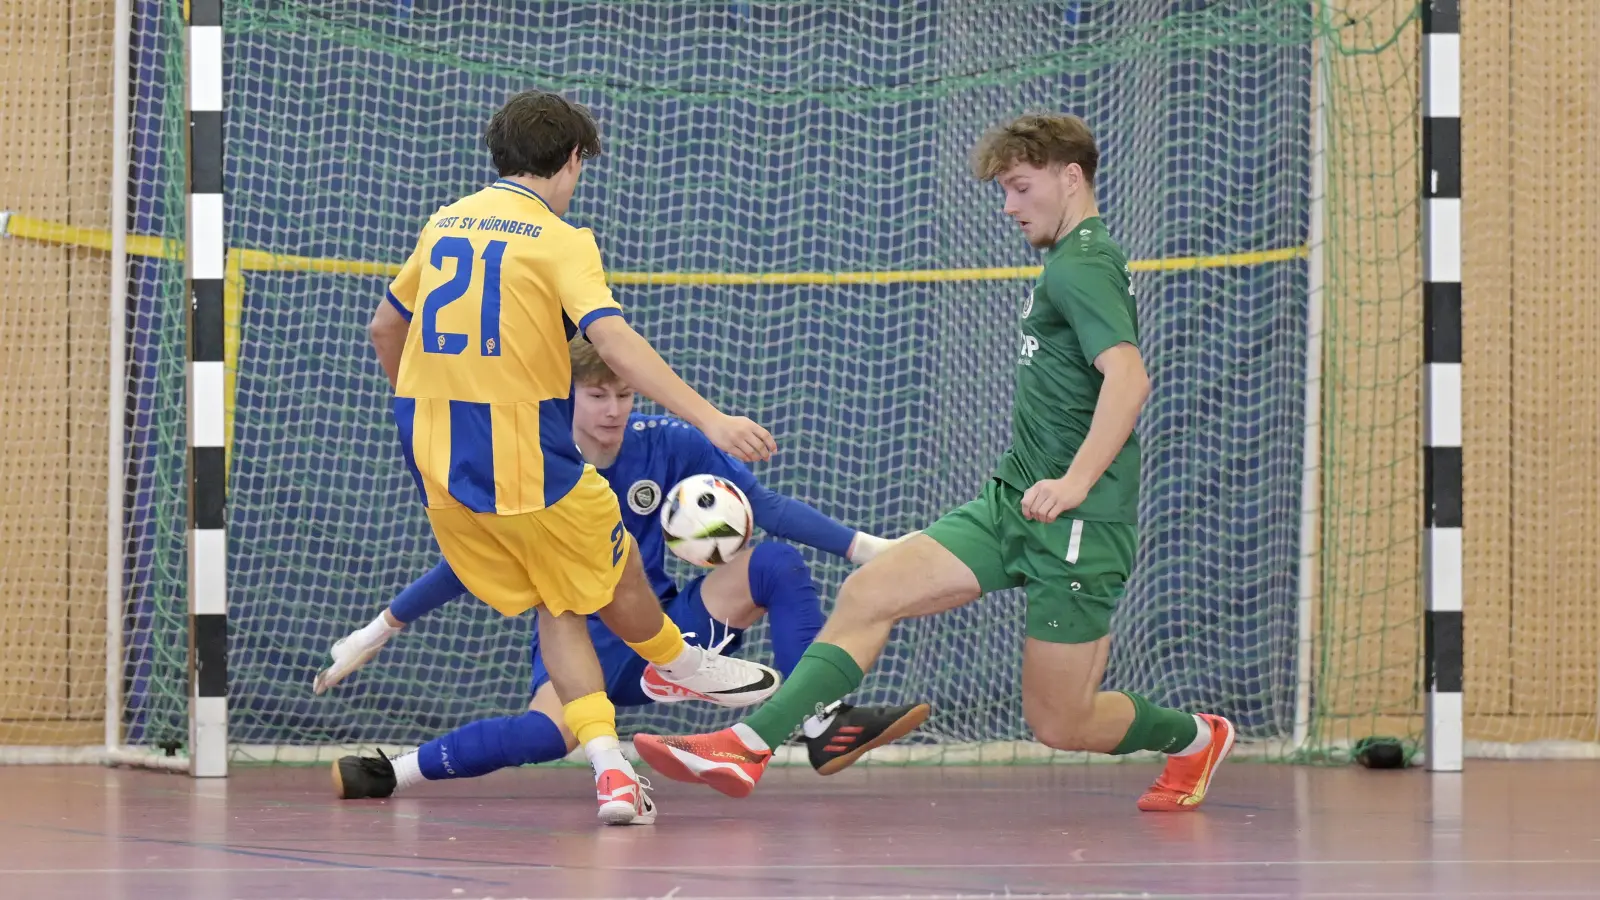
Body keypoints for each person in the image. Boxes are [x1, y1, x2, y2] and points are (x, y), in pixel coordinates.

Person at [632, 114, 1235, 812]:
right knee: (869, 593)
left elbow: (1129, 381)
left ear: (1071, 178)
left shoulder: (1083, 265)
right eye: (1003, 191)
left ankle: (1197, 738)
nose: (1008, 206)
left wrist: (1074, 483)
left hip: (1076, 523)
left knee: (1061, 721)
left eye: (1019, 187)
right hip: (1013, 502)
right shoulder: (1066, 261)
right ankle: (748, 747)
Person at [366, 89, 782, 826]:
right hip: (531, 466)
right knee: (614, 576)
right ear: (571, 161)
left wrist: (422, 406)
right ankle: (682, 664)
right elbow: (613, 342)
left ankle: (612, 773)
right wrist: (712, 419)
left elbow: (383, 330)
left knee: (560, 605)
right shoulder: (559, 238)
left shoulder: (443, 223)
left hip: (440, 471)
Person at [323, 339, 930, 801]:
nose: (613, 409)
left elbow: (764, 508)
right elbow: (466, 566)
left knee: (771, 561)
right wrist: (379, 629)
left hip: (661, 622)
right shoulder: (535, 464)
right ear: (566, 396)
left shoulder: (668, 443)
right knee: (543, 737)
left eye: (624, 394)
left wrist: (871, 550)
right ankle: (391, 772)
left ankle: (815, 719)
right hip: (579, 641)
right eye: (597, 395)